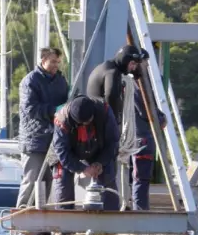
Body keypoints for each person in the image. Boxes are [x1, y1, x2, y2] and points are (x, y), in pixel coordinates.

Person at [16, 47, 69, 207]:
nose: (56, 65)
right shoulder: (30, 81)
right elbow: (30, 109)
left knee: (48, 180)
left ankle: (41, 213)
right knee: (31, 178)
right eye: (53, 61)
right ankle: (22, 211)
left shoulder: (61, 81)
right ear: (43, 60)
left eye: (58, 62)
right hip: (34, 139)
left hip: (53, 139)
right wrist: (55, 110)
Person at [49, 95, 120, 210]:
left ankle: (111, 217)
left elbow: (113, 142)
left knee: (108, 180)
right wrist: (82, 168)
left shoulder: (104, 111)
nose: (85, 125)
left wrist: (100, 162)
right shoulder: (61, 119)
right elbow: (62, 152)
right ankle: (64, 217)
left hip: (98, 149)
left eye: (88, 122)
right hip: (67, 153)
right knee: (63, 186)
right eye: (81, 124)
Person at [86, 45, 150, 125]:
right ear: (125, 60)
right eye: (132, 63)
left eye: (136, 65)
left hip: (95, 114)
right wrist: (114, 121)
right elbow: (111, 95)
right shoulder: (112, 72)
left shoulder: (108, 66)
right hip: (101, 119)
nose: (133, 68)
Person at [128, 80, 166, 210]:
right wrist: (162, 118)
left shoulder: (131, 86)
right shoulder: (138, 89)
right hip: (141, 141)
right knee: (141, 180)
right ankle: (140, 213)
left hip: (137, 139)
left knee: (139, 179)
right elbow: (147, 113)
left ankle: (139, 211)